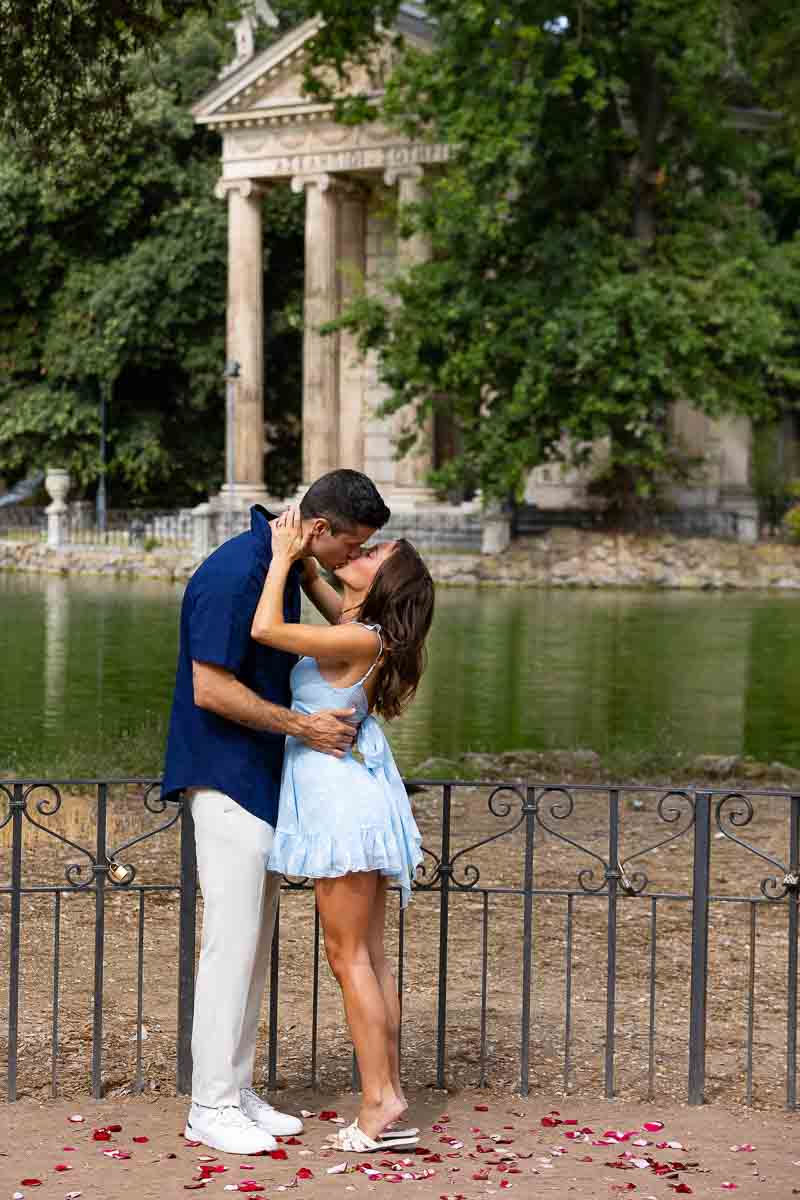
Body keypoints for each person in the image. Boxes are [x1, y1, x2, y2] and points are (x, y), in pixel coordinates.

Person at [161, 470, 391, 1155]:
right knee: (230, 945)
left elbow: (328, 628)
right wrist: (303, 728)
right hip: (226, 776)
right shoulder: (236, 574)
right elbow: (209, 689)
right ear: (320, 529)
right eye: (352, 547)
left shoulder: (278, 565)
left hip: (259, 778)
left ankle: (234, 1086)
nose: (353, 560)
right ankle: (210, 1104)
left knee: (252, 944)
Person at [250, 506, 435, 1154]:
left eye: (374, 553)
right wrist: (301, 553)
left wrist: (276, 559)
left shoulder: (361, 638)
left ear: (383, 583)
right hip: (351, 795)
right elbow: (315, 587)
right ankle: (387, 1092)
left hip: (341, 804)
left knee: (349, 956)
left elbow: (267, 628)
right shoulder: (356, 627)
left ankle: (381, 1099)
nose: (362, 550)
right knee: (369, 958)